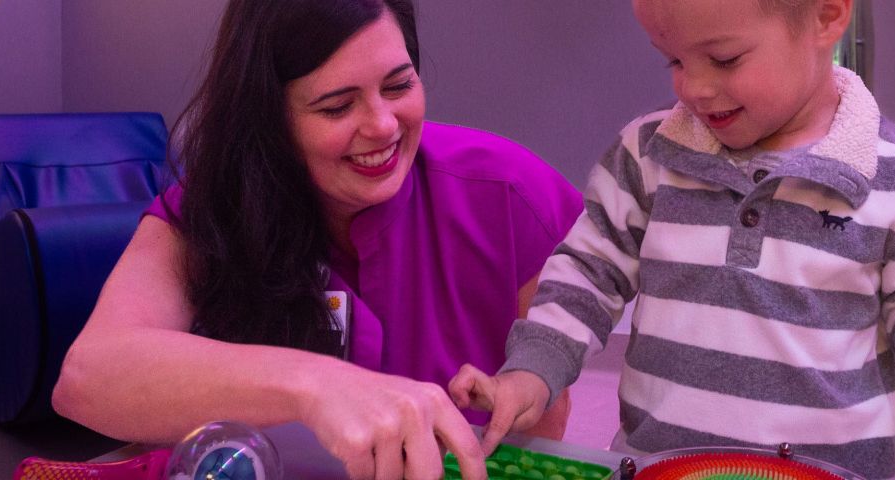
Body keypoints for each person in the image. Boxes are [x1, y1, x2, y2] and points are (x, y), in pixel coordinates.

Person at [446, 1, 895, 478]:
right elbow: (585, 275)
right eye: (675, 60)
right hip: (662, 467)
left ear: (826, 16)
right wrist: (532, 373)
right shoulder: (648, 152)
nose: (693, 88)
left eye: (724, 59)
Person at [49, 0, 583, 478]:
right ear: (267, 119)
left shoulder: (509, 190)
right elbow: (89, 377)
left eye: (399, 85)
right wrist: (315, 386)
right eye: (336, 107)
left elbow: (541, 432)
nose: (382, 126)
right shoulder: (214, 206)